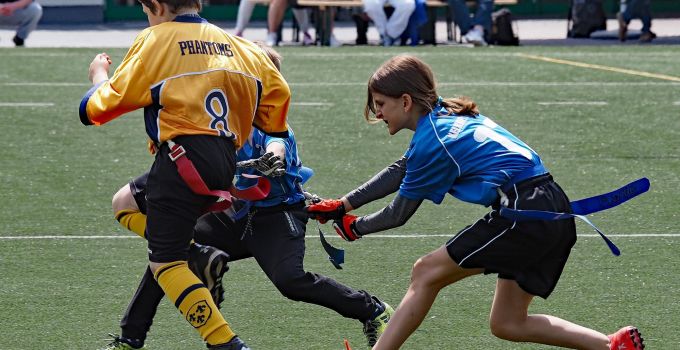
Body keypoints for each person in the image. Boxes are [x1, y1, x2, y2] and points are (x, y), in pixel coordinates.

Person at [306, 54, 645, 350]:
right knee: (508, 323)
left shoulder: (434, 140)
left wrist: (356, 228)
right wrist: (344, 205)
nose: (378, 113)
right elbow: (402, 169)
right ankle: (611, 345)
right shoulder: (444, 116)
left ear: (405, 102)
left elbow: (399, 213)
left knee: (425, 272)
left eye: (381, 104)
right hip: (549, 207)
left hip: (524, 212)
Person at [101, 45, 393, 350]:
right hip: (235, 215)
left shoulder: (275, 128)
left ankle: (373, 310)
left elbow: (276, 144)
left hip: (276, 217)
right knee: (168, 250)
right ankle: (130, 340)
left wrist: (272, 157)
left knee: (290, 281)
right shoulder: (224, 120)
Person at [79, 0, 291, 348]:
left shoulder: (156, 39)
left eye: (147, 11)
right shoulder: (241, 46)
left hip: (181, 159)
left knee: (166, 264)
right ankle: (196, 253)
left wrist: (98, 76)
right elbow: (276, 101)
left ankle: (225, 343)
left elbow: (96, 109)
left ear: (158, 6)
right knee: (124, 203)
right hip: (223, 158)